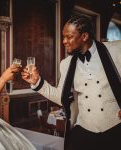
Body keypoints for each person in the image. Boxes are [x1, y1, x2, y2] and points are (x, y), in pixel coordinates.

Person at [21, 15, 121, 150]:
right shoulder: (66, 64)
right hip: (84, 130)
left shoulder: (116, 50)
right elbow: (62, 97)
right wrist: (37, 82)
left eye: (69, 37)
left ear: (84, 36)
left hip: (115, 129)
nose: (64, 41)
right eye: (63, 37)